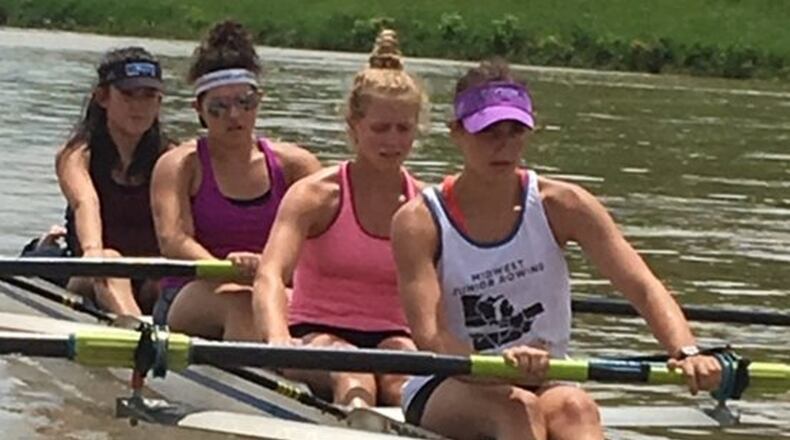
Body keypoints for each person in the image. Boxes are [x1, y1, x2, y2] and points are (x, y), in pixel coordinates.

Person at [391, 59, 722, 440]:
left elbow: (643, 287)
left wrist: (687, 352)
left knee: (577, 409)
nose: (503, 145)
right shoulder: (419, 220)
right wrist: (494, 365)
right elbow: (431, 337)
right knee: (517, 410)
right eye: (488, 132)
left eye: (515, 131)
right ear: (457, 133)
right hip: (451, 379)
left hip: (547, 374)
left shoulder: (564, 205)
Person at [251, 29, 427, 408]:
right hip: (315, 333)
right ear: (353, 126)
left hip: (394, 335)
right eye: (380, 128)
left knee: (403, 382)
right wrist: (277, 340)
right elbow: (270, 274)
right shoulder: (316, 196)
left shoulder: (426, 206)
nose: (393, 141)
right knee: (354, 377)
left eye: (404, 129)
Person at [150, 21, 320, 340]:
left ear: (259, 101)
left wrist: (268, 270)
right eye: (218, 107)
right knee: (242, 303)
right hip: (193, 291)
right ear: (198, 109)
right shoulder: (179, 165)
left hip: (272, 288)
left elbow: (321, 244)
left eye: (245, 103)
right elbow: (174, 241)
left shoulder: (298, 165)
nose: (234, 116)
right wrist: (227, 268)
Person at [51, 46, 170, 316]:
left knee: (161, 275)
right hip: (91, 272)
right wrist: (93, 249)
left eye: (149, 96)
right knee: (110, 260)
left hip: (153, 273)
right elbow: (85, 203)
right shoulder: (77, 156)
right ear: (103, 97)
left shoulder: (173, 157)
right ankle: (138, 331)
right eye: (128, 95)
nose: (139, 106)